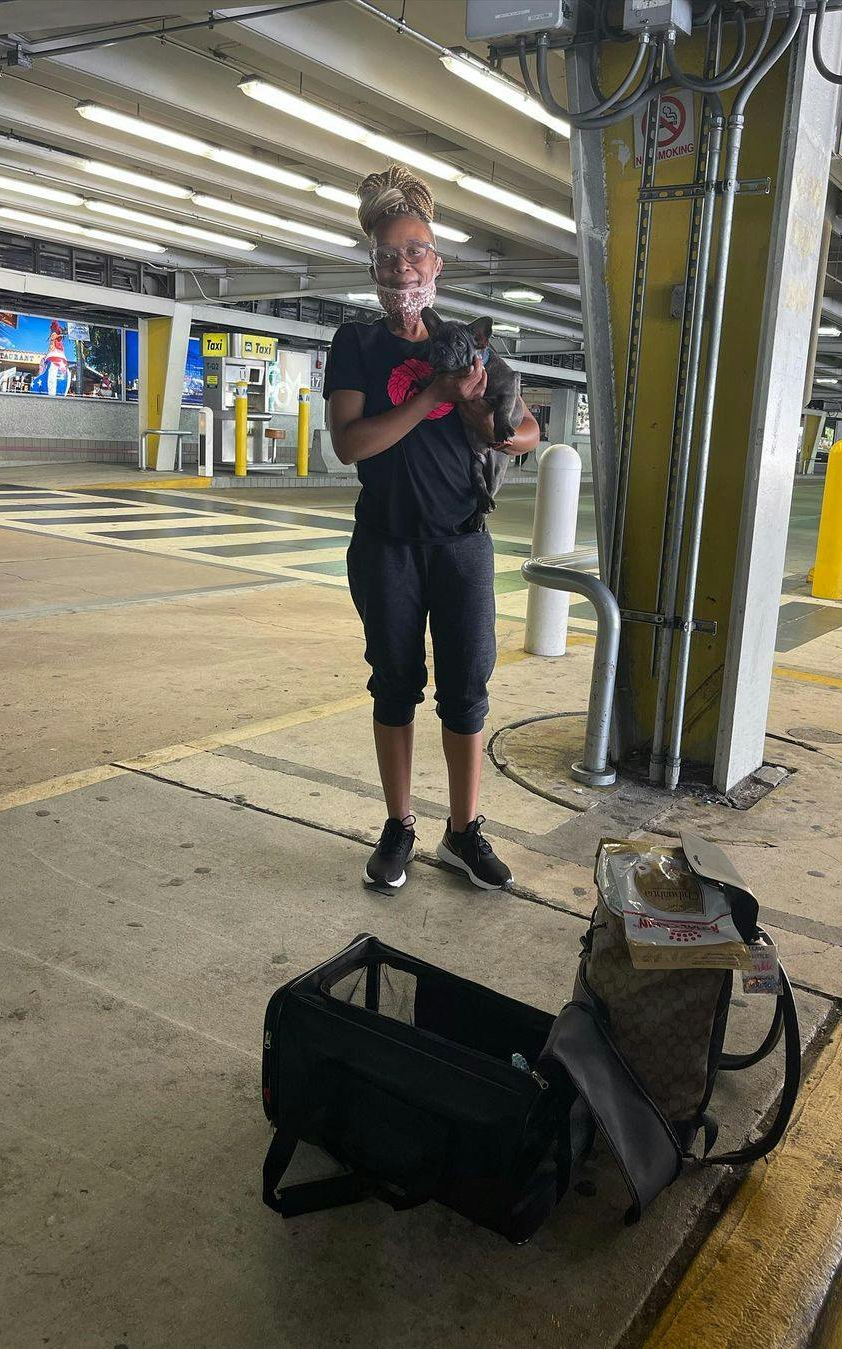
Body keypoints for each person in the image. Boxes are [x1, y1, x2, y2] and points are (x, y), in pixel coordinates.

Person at [324, 165, 540, 891]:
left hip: (461, 544)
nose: (403, 266)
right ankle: (399, 825)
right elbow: (351, 444)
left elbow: (527, 430)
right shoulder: (356, 343)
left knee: (467, 688)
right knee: (394, 684)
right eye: (388, 256)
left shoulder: (467, 345)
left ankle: (463, 830)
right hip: (385, 545)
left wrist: (486, 415)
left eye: (415, 251)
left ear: (437, 263)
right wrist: (434, 396)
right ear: (374, 268)